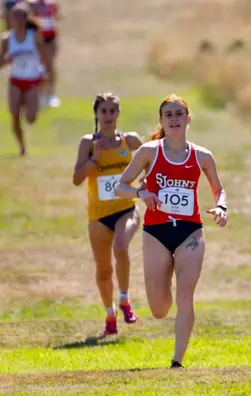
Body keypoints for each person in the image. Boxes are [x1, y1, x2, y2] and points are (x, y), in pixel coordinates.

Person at [114, 94, 228, 369]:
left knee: (185, 295)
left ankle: (177, 361)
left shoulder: (202, 156)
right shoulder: (149, 151)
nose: (174, 119)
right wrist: (141, 192)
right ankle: (165, 282)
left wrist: (221, 207)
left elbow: (218, 189)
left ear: (188, 119)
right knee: (159, 309)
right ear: (162, 121)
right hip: (156, 232)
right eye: (169, 115)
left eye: (179, 114)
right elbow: (121, 187)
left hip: (190, 232)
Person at [72, 93, 142, 335]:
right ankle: (110, 316)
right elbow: (77, 179)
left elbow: (152, 160)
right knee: (103, 270)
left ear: (118, 114)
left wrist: (147, 181)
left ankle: (125, 299)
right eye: (104, 111)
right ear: (96, 114)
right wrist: (95, 159)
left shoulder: (130, 141)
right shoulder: (88, 143)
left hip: (126, 208)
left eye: (113, 111)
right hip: (99, 216)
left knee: (121, 247)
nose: (108, 116)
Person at [0, 2, 51, 156]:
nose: (19, 19)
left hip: (33, 80)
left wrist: (45, 74)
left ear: (27, 18)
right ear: (10, 18)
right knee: (14, 115)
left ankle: (28, 101)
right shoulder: (6, 39)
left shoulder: (34, 36)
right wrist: (7, 58)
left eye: (22, 16)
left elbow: (45, 57)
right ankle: (22, 145)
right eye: (16, 16)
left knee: (31, 118)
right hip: (16, 81)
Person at [28, 0, 60, 108]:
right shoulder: (32, 2)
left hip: (50, 36)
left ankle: (51, 93)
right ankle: (39, 93)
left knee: (50, 65)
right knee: (38, 66)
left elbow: (56, 17)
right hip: (37, 37)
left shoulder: (52, 2)